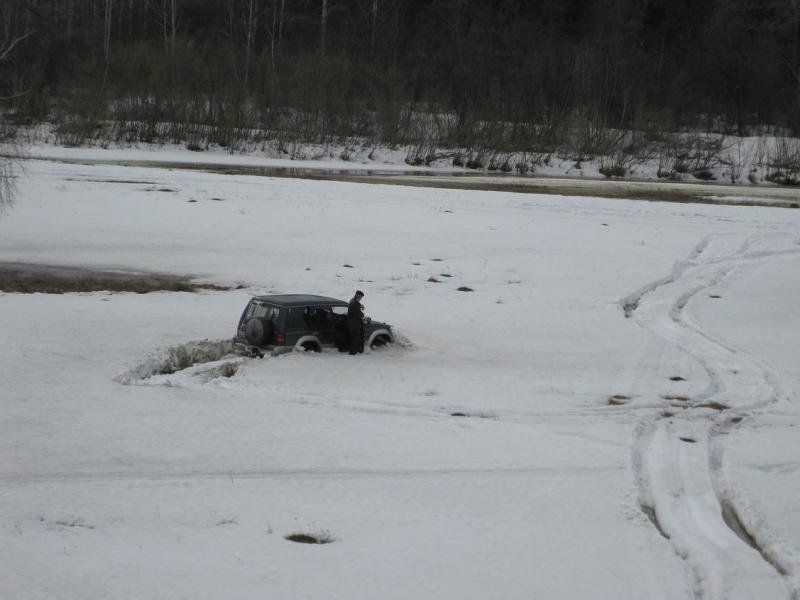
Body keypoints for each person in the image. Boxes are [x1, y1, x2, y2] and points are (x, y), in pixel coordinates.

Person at [347, 290, 365, 355]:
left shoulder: (353, 301)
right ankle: (352, 352)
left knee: (354, 337)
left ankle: (354, 350)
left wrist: (360, 306)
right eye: (361, 297)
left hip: (352, 323)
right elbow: (356, 313)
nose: (361, 298)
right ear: (358, 296)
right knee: (355, 338)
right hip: (354, 324)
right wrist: (362, 314)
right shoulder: (354, 303)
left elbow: (356, 307)